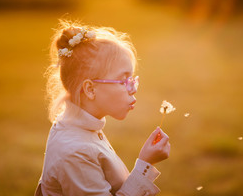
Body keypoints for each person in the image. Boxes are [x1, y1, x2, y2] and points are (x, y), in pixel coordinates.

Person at [35, 20, 170, 196]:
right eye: (124, 80)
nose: (133, 89)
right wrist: (145, 165)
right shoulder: (76, 152)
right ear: (90, 89)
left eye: (132, 80)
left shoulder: (78, 126)